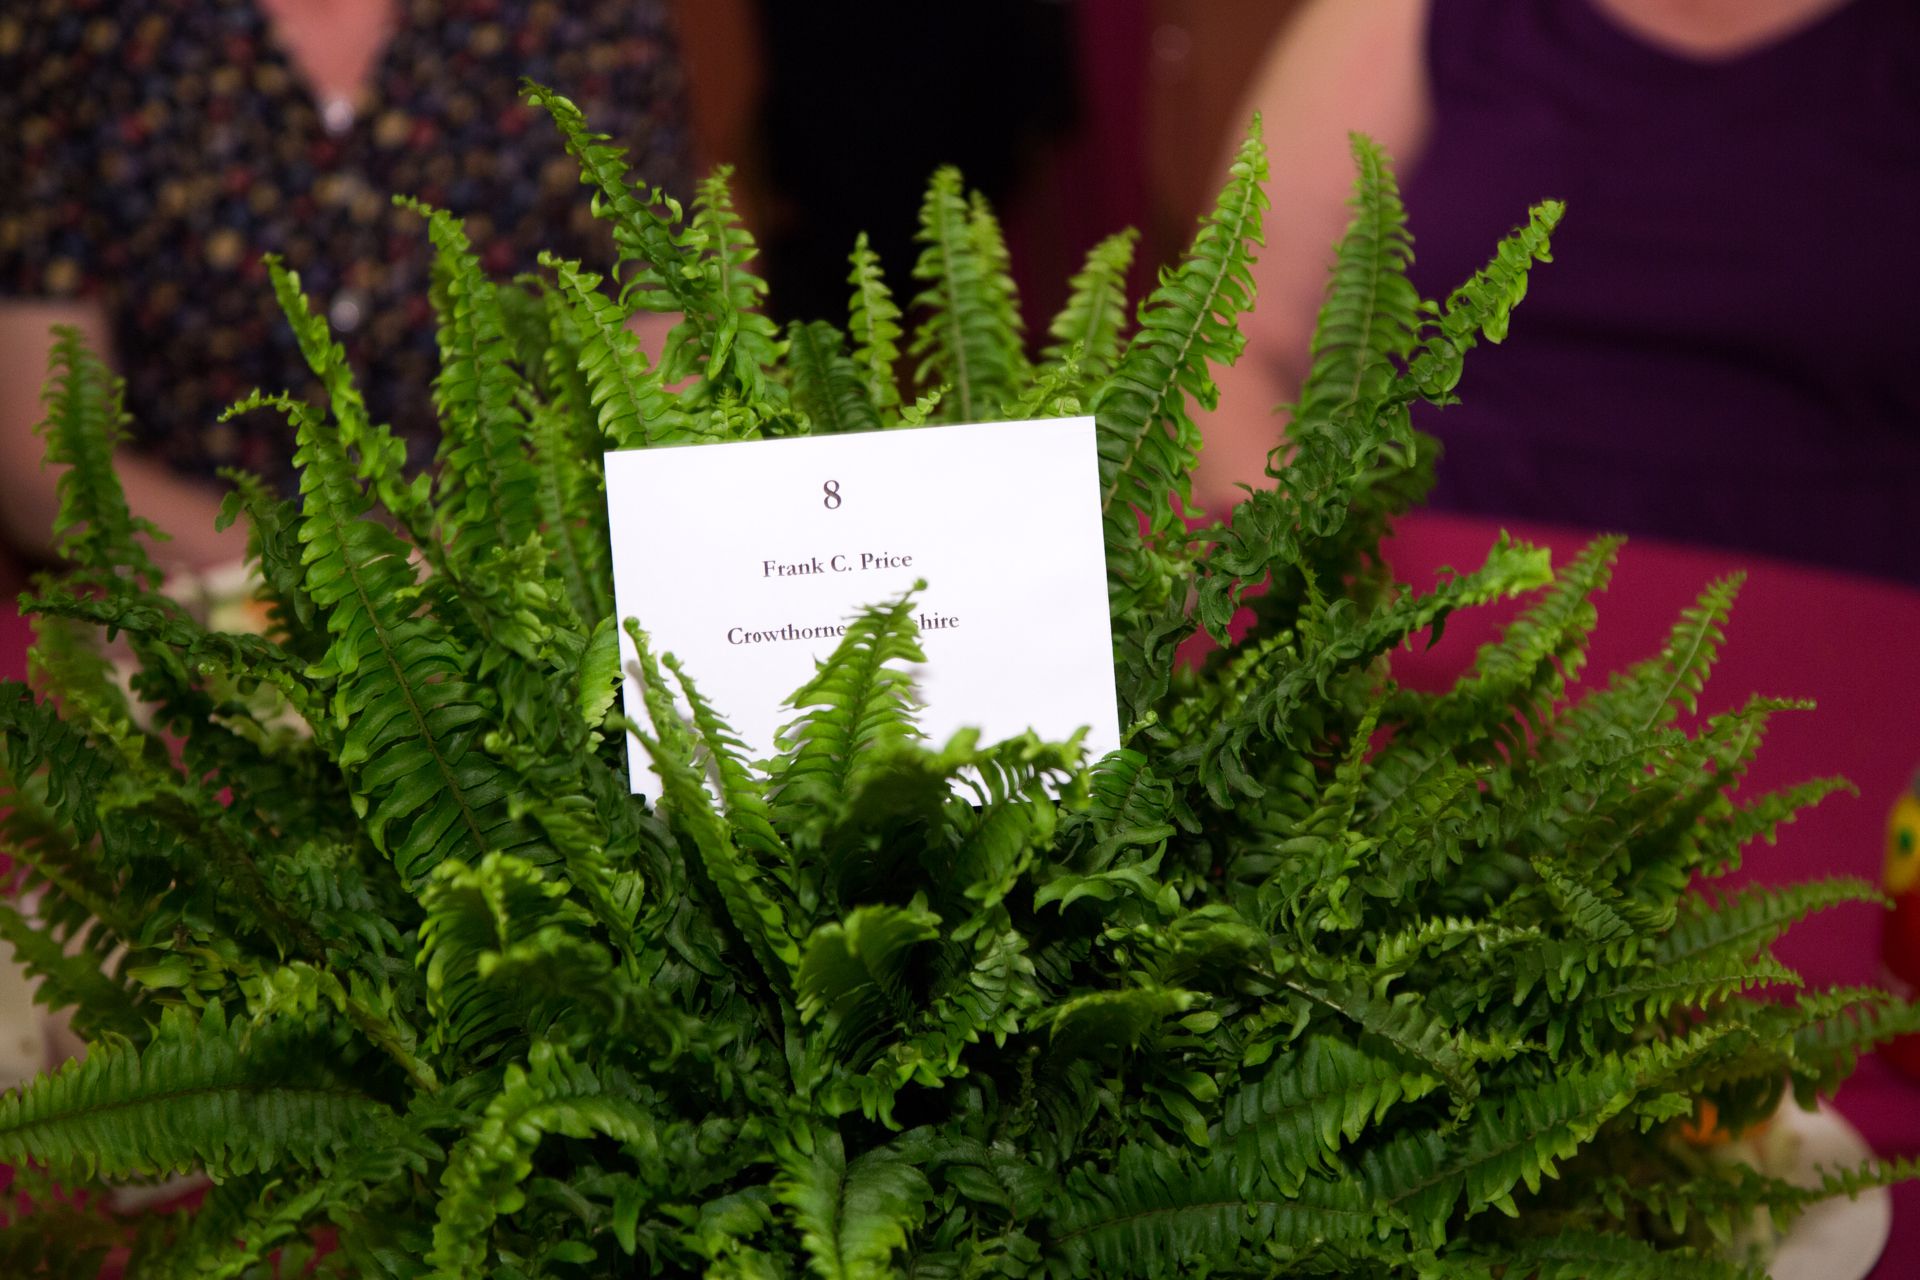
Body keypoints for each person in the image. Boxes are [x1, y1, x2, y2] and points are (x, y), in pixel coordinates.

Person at [1199, 0, 1920, 584]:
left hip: (1843, 631)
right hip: (1427, 613)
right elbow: (1235, 342)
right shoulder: (1418, 16)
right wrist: (1316, 576)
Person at [0, 0, 691, 575]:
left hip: (526, 613)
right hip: (196, 625)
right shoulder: (77, 31)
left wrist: (518, 561)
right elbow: (42, 461)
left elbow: (669, 380)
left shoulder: (588, 20)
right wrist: (335, 586)